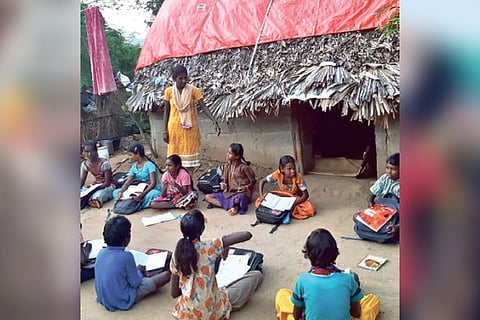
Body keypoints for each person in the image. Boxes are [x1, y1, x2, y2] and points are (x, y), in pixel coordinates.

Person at [170, 210, 263, 319]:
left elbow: (174, 294)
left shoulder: (176, 254)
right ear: (202, 230)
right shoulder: (211, 246)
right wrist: (225, 242)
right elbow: (247, 235)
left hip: (187, 313)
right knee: (256, 275)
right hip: (213, 312)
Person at [276, 228, 368, 320]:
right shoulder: (348, 279)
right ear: (335, 253)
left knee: (282, 294)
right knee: (372, 300)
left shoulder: (303, 280)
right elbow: (356, 313)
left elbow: (296, 316)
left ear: (308, 254)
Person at [94, 215, 171, 311]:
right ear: (126, 239)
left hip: (104, 298)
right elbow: (136, 283)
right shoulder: (127, 256)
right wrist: (139, 271)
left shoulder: (101, 252)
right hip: (123, 299)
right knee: (166, 276)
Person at [162, 64, 221, 174]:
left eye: (185, 78)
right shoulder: (169, 92)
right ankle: (177, 184)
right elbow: (167, 111)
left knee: (189, 163)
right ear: (174, 79)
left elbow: (203, 106)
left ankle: (187, 183)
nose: (184, 81)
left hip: (190, 130)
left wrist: (214, 120)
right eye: (180, 78)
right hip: (174, 130)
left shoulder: (194, 90)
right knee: (174, 160)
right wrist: (164, 130)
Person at [256, 155, 316, 220]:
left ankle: (282, 211)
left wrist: (293, 204)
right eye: (289, 169)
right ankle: (285, 211)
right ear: (282, 169)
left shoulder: (298, 177)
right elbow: (262, 181)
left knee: (310, 209)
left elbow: (305, 195)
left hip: (294, 199)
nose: (293, 171)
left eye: (294, 168)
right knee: (260, 201)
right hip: (282, 197)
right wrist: (261, 195)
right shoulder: (277, 174)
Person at [205, 143, 256, 215]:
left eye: (230, 153)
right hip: (229, 193)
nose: (227, 154)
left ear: (237, 156)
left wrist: (246, 187)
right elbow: (224, 180)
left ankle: (233, 205)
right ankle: (233, 207)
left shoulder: (244, 168)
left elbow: (253, 182)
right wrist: (223, 184)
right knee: (207, 197)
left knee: (239, 199)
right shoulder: (227, 166)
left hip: (241, 194)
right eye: (228, 152)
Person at [113, 143, 162, 210]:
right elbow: (128, 182)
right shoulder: (134, 167)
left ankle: (133, 203)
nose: (129, 157)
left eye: (130, 155)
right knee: (116, 192)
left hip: (150, 189)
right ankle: (135, 202)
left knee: (153, 194)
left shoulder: (149, 165)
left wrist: (142, 194)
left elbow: (153, 183)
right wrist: (121, 192)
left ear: (138, 154)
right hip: (139, 189)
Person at [366, 152, 400, 240]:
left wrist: (398, 226)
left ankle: (395, 229)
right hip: (382, 211)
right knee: (357, 217)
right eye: (387, 168)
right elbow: (372, 194)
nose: (389, 171)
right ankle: (387, 233)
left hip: (398, 214)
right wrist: (371, 204)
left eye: (393, 169)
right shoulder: (384, 178)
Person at [80, 140, 115, 209]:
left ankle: (92, 200)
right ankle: (89, 200)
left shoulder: (104, 163)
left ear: (96, 151)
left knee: (99, 195)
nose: (89, 154)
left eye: (91, 151)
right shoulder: (85, 164)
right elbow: (82, 181)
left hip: (106, 186)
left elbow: (107, 182)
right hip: (95, 185)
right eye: (87, 152)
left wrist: (94, 190)